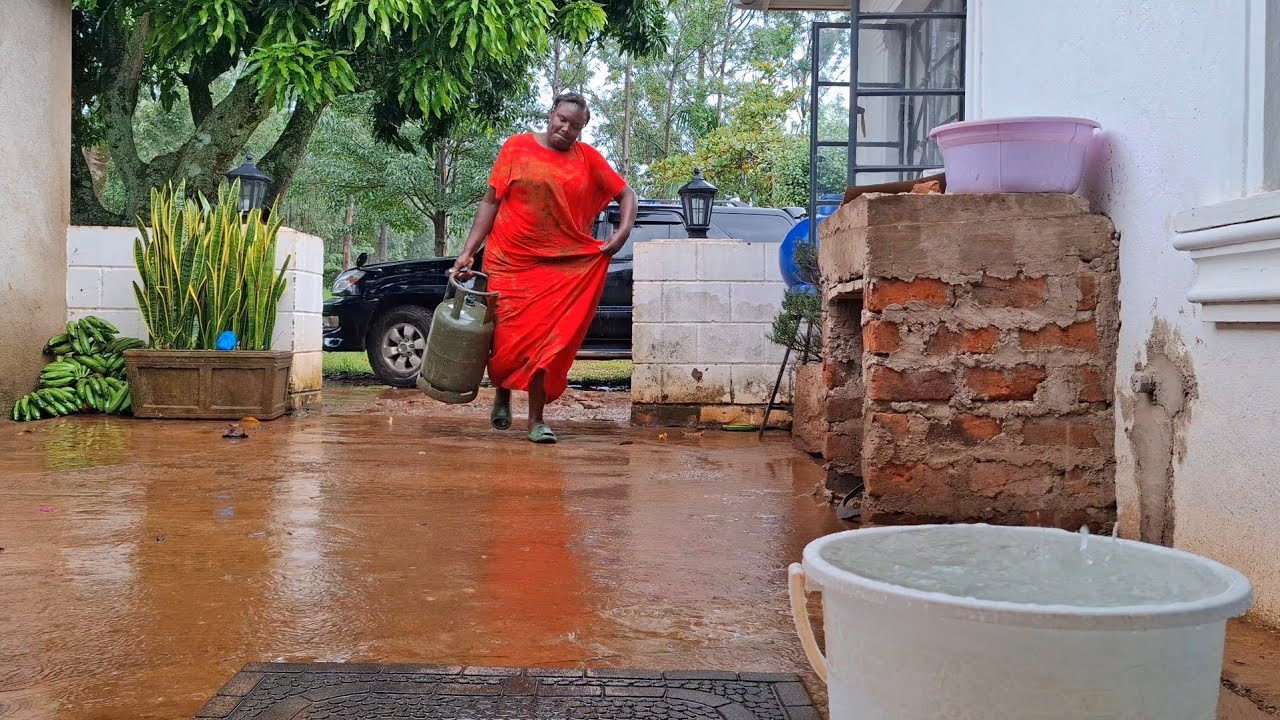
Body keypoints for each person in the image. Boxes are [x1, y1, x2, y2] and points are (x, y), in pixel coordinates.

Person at [451, 92, 638, 444]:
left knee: (546, 344)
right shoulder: (516, 147)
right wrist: (468, 252)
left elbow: (627, 194)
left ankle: (536, 420)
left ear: (582, 129)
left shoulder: (588, 159)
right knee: (506, 340)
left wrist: (623, 231)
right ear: (551, 114)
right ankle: (503, 392)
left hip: (559, 267)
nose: (566, 129)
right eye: (562, 120)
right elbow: (491, 202)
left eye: (575, 126)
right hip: (509, 261)